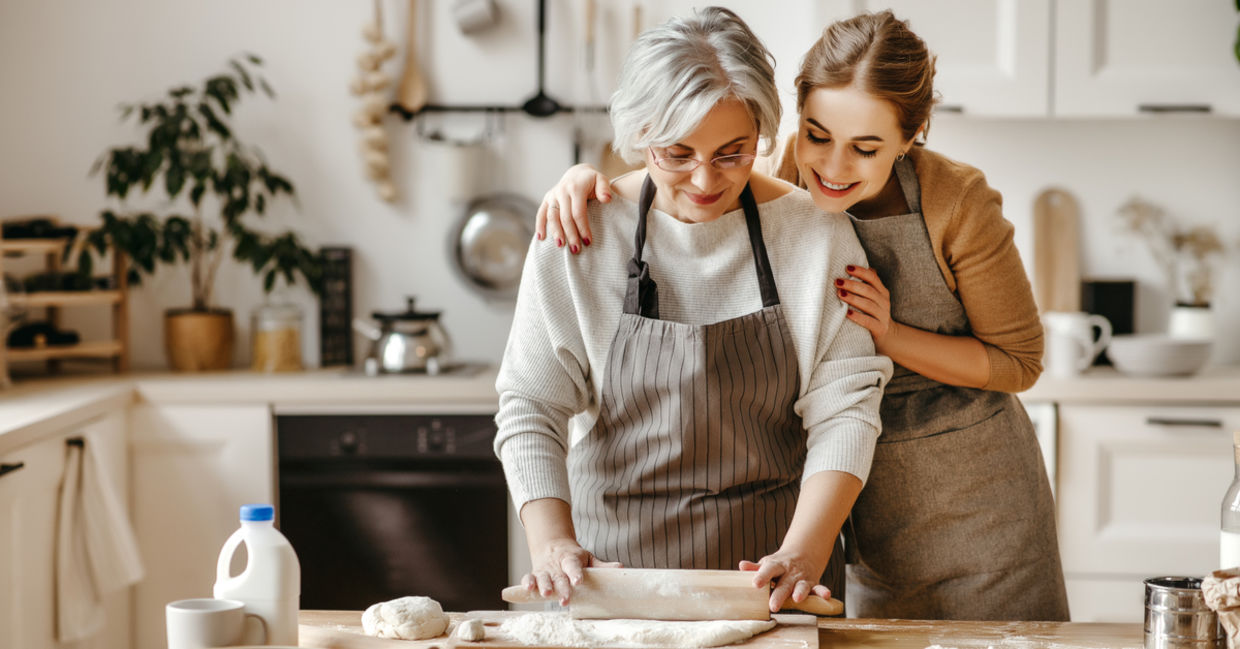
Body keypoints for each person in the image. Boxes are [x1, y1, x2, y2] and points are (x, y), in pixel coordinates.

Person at [533, 10, 1069, 621]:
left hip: (973, 497)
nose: (834, 168)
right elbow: (692, 168)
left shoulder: (954, 202)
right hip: (854, 501)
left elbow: (1018, 362)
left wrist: (888, 336)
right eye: (817, 135)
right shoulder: (784, 180)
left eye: (865, 148)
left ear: (913, 134)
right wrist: (587, 183)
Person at [494, 7, 890, 615]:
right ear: (639, 134)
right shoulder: (580, 234)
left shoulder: (816, 236)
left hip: (773, 584)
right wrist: (551, 544)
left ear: (762, 132)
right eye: (676, 154)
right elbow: (531, 404)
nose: (706, 180)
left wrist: (805, 553)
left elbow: (846, 409)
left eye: (733, 153)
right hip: (612, 583)